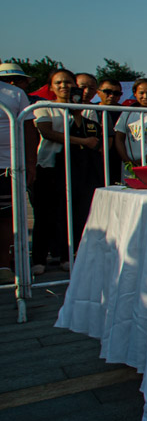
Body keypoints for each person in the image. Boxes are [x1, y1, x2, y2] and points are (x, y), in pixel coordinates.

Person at [31, 69, 103, 273]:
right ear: (51, 86)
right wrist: (81, 141)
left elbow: (93, 135)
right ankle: (39, 258)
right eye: (59, 82)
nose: (64, 86)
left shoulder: (86, 109)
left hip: (78, 167)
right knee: (45, 214)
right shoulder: (43, 106)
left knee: (73, 213)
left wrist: (77, 113)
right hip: (50, 165)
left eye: (68, 82)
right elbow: (47, 132)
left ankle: (66, 255)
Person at [0, 74, 32, 283]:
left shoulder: (15, 93)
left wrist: (30, 163)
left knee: (5, 218)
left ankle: (3, 264)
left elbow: (30, 132)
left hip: (7, 166)